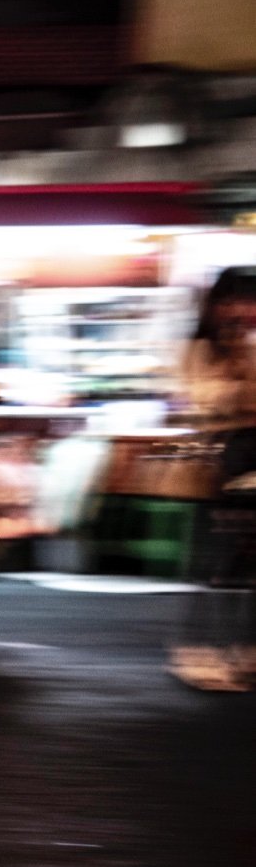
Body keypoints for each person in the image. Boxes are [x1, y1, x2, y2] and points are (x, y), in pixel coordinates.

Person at [169, 267, 256, 691]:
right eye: (233, 300)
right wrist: (236, 374)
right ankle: (197, 649)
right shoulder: (199, 349)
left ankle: (246, 651)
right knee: (215, 561)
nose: (241, 309)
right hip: (219, 463)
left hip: (250, 459)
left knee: (248, 564)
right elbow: (201, 402)